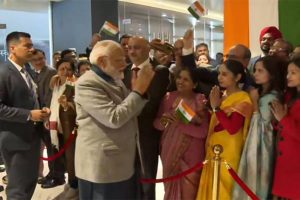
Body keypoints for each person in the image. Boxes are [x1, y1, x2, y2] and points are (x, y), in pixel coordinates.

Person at [74, 40, 155, 200]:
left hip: (122, 162)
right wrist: (138, 91)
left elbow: (131, 112)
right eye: (119, 60)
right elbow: (114, 118)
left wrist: (141, 93)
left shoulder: (113, 79)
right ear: (103, 61)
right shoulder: (87, 83)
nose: (125, 63)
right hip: (103, 168)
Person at [0, 31, 50, 199]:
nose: (32, 49)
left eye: (32, 45)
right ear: (13, 48)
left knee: (28, 184)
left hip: (31, 138)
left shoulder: (25, 70)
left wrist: (42, 111)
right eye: (27, 46)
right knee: (18, 190)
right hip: (16, 139)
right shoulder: (3, 72)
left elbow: (28, 99)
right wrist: (29, 114)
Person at [196, 60, 253, 200]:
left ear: (238, 77)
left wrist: (216, 108)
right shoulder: (223, 95)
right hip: (214, 149)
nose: (220, 77)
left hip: (228, 151)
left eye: (225, 74)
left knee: (224, 191)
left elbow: (232, 128)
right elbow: (218, 122)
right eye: (219, 74)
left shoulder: (243, 98)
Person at [233, 56, 286, 199]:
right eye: (255, 70)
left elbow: (263, 125)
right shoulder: (262, 94)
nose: (255, 73)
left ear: (272, 74)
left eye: (260, 71)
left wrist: (255, 102)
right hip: (255, 143)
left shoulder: (271, 98)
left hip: (262, 147)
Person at [153, 67, 208, 200]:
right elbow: (157, 124)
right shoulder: (168, 98)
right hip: (169, 150)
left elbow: (203, 131)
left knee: (190, 192)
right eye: (179, 78)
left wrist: (180, 123)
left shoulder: (200, 101)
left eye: (186, 79)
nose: (181, 81)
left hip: (192, 154)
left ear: (194, 84)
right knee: (169, 188)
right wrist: (164, 120)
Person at [127, 36, 170, 199]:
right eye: (129, 47)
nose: (132, 51)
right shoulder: (124, 70)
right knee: (130, 178)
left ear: (148, 49)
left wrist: (126, 112)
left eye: (136, 47)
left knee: (146, 179)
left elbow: (152, 102)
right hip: (125, 132)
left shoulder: (159, 71)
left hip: (148, 133)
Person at [28, 49, 59, 186]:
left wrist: (44, 114)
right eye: (35, 60)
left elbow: (50, 95)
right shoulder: (30, 73)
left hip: (47, 116)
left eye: (41, 58)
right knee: (38, 148)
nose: (39, 62)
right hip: (34, 117)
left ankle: (55, 175)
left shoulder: (51, 72)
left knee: (51, 147)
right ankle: (42, 174)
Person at [48, 58, 78, 199]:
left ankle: (75, 185)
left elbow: (79, 105)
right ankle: (71, 182)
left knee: (72, 158)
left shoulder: (75, 84)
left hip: (71, 128)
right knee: (65, 157)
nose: (65, 72)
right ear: (57, 70)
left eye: (69, 69)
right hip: (57, 127)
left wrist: (67, 105)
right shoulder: (55, 84)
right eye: (62, 69)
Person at [272, 57, 300, 199]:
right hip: (286, 161)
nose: (288, 76)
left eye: (293, 73)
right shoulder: (291, 97)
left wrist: (283, 119)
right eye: (288, 72)